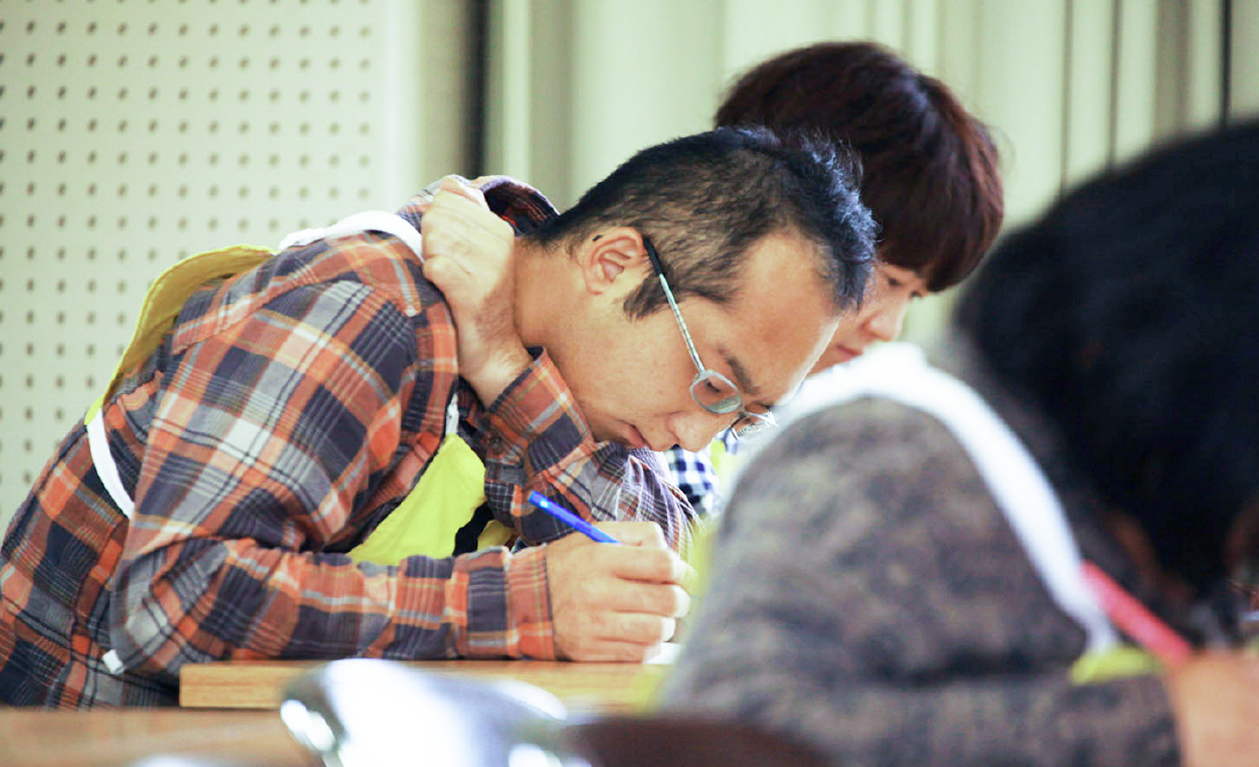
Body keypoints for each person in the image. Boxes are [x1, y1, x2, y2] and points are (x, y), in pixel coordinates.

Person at [0, 127, 876, 707]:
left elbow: (649, 571)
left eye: (739, 418)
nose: (695, 434)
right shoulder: (365, 309)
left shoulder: (538, 351)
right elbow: (172, 601)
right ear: (612, 263)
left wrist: (502, 368)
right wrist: (521, 603)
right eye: (714, 385)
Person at [659, 120, 1259, 766]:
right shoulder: (892, 463)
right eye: (887, 280)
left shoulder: (1122, 496)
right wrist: (1157, 726)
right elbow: (722, 732)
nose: (883, 323)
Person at [661, 41, 1004, 516]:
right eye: (887, 280)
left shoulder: (810, 425)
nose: (889, 329)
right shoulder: (639, 406)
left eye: (915, 297)